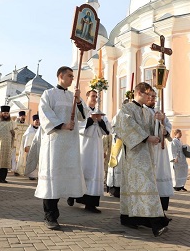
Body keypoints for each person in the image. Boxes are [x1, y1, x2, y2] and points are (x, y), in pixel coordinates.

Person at [113, 82, 170, 237]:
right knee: (148, 187)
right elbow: (126, 127)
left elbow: (156, 130)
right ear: (138, 92)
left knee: (144, 187)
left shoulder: (147, 112)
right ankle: (157, 223)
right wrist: (146, 138)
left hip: (147, 154)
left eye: (151, 95)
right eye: (147, 94)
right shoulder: (126, 109)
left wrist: (160, 121)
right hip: (134, 155)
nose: (149, 97)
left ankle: (132, 218)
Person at [35, 66, 87, 230]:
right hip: (55, 142)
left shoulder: (73, 96)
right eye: (70, 76)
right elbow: (44, 114)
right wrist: (63, 125)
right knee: (52, 179)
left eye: (73, 76)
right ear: (60, 76)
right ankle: (50, 215)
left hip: (70, 144)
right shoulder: (48, 94)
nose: (72, 79)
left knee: (63, 178)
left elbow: (83, 115)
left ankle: (58, 209)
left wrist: (78, 100)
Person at [68, 90, 111, 213]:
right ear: (87, 97)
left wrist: (100, 120)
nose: (95, 98)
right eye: (92, 96)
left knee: (95, 174)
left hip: (96, 147)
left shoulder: (100, 113)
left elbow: (107, 131)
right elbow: (78, 126)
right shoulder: (83, 111)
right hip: (84, 146)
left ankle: (90, 204)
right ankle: (73, 194)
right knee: (82, 171)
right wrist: (91, 120)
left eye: (96, 96)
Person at [144, 89, 174, 212]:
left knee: (162, 174)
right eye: (150, 96)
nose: (152, 99)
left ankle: (162, 211)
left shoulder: (159, 112)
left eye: (154, 96)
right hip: (148, 148)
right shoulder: (142, 111)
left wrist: (163, 123)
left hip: (161, 151)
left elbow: (168, 127)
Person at [21, 114, 40, 180]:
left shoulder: (40, 129)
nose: (37, 122)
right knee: (32, 161)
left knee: (38, 162)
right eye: (36, 120)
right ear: (33, 121)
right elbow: (27, 139)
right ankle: (31, 175)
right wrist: (27, 147)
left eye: (38, 120)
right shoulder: (30, 130)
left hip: (39, 148)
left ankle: (37, 175)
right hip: (31, 148)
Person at [12, 111, 28, 176]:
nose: (22, 117)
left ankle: (21, 170)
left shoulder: (27, 125)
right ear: (19, 116)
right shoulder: (15, 124)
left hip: (23, 142)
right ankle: (15, 170)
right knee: (15, 156)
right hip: (17, 142)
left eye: (23, 116)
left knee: (22, 157)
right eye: (21, 116)